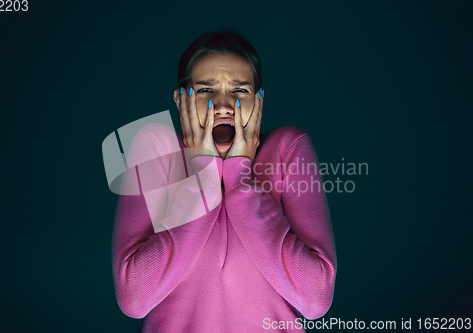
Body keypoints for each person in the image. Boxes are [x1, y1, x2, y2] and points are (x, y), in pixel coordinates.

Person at [111, 30, 337, 332]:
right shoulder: (154, 147)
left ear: (259, 101)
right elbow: (134, 299)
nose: (223, 105)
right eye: (206, 90)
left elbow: (316, 299)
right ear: (181, 100)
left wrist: (240, 177)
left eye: (239, 91)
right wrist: (203, 175)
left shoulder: (288, 148)